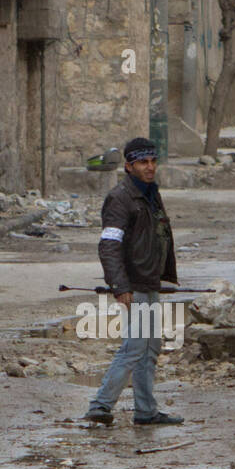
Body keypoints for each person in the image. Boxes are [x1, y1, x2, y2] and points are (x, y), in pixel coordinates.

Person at [83, 137, 183, 426]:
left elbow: (159, 235)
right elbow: (109, 246)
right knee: (135, 347)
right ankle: (100, 406)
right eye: (142, 162)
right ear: (129, 166)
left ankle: (146, 411)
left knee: (150, 348)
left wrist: (162, 274)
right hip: (133, 285)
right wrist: (120, 286)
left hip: (149, 282)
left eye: (153, 161)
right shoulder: (120, 198)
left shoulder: (151, 193)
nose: (150, 167)